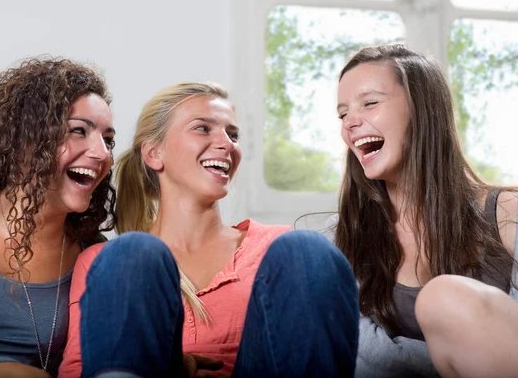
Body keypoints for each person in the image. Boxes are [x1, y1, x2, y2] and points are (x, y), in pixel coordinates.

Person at [59, 82, 360, 378]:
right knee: (129, 253)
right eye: (203, 128)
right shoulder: (108, 264)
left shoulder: (278, 253)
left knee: (307, 250)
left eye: (233, 134)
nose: (228, 144)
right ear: (153, 153)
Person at [334, 43, 518, 377]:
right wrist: (457, 356)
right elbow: (361, 360)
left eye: (370, 103)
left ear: (422, 109)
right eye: (343, 113)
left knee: (443, 297)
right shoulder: (343, 239)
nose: (350, 122)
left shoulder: (510, 215)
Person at [0, 58, 117, 378]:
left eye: (107, 139)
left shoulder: (92, 255)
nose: (102, 153)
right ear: (26, 139)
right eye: (78, 131)